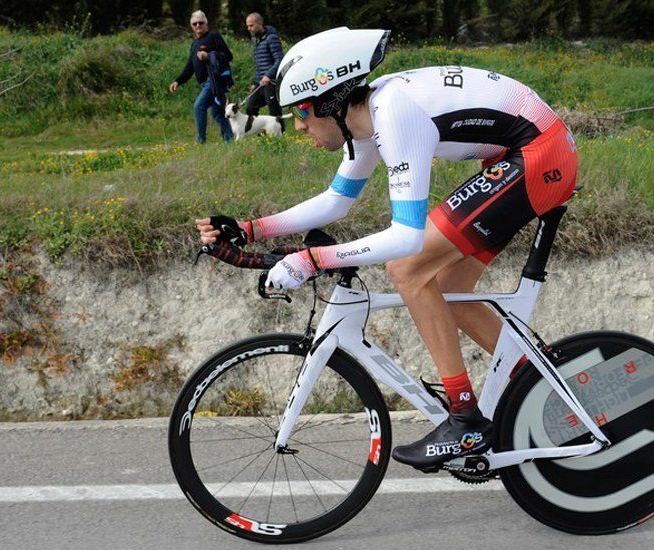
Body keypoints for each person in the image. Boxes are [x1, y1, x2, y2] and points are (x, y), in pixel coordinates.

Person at [194, 28, 578, 471]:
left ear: (331, 101)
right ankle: (544, 387)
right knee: (450, 287)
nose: (298, 125)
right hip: (523, 152)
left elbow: (406, 237)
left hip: (538, 154)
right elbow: (336, 201)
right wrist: (251, 229)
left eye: (302, 111)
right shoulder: (365, 120)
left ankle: (465, 418)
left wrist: (312, 259)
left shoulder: (396, 114)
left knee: (409, 269)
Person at [169, 10, 234, 144]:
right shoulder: (194, 44)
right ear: (191, 26)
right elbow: (190, 66)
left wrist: (208, 55)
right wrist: (178, 81)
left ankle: (200, 142)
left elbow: (228, 56)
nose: (198, 25)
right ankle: (230, 142)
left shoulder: (214, 36)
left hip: (215, 81)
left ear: (206, 23)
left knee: (198, 106)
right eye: (195, 23)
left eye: (201, 23)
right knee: (218, 113)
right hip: (204, 83)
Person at [244, 12, 285, 132]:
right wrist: (254, 82)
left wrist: (268, 75)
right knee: (250, 107)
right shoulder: (257, 41)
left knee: (274, 111)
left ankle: (280, 136)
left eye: (251, 25)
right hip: (260, 83)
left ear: (260, 24)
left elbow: (279, 59)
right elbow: (259, 65)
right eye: (247, 26)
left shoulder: (271, 38)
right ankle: (261, 133)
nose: (249, 28)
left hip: (271, 82)